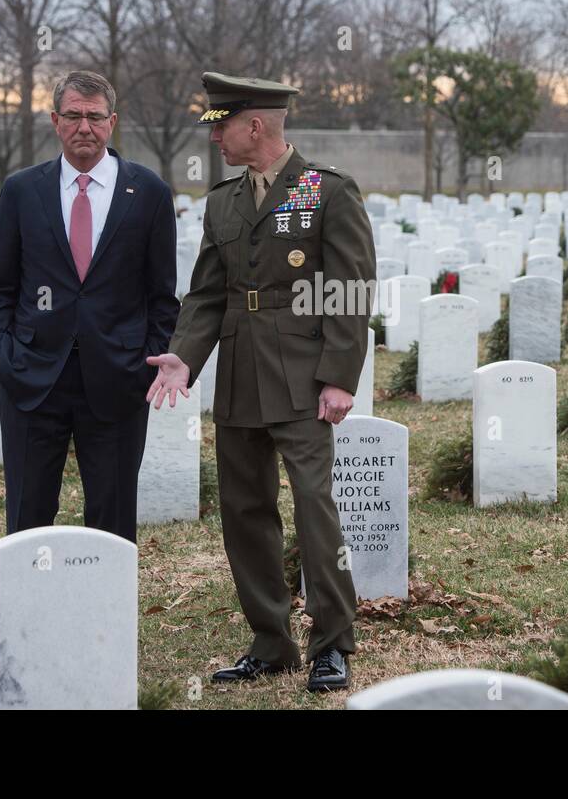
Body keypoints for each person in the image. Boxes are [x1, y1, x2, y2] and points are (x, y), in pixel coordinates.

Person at [147, 71, 376, 692]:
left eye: (221, 125)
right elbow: (207, 293)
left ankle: (332, 642)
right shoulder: (222, 200)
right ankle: (271, 641)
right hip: (241, 375)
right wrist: (183, 357)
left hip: (304, 378)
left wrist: (339, 377)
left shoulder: (325, 191)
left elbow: (350, 290)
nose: (215, 136)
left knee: (313, 506)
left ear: (255, 125)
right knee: (245, 510)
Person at [0, 69, 178, 545]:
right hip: (32, 375)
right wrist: (0, 354)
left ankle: (104, 618)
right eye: (73, 115)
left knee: (111, 517)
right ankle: (28, 614)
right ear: (55, 120)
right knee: (28, 513)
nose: (83, 127)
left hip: (117, 376)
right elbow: (2, 285)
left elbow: (162, 294)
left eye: (94, 117)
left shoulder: (148, 192)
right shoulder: (23, 190)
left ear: (112, 122)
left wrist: (144, 359)